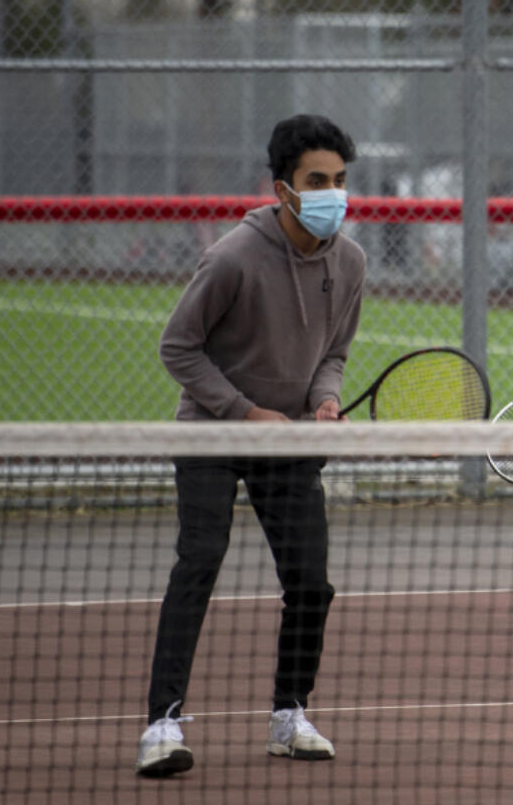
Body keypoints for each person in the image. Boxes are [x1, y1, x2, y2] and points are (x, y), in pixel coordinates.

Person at [135, 114, 365, 776]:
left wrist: (323, 399)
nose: (333, 194)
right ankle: (162, 725)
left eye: (341, 180)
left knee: (311, 583)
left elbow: (335, 351)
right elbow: (177, 347)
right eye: (317, 181)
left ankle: (289, 714)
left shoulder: (350, 261)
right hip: (213, 430)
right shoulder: (233, 256)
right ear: (283, 188)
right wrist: (244, 411)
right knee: (199, 562)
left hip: (287, 437)